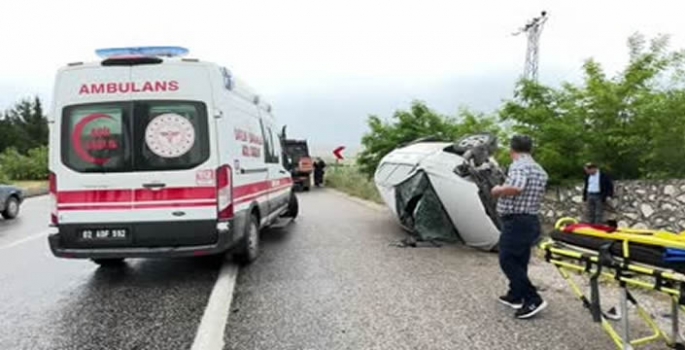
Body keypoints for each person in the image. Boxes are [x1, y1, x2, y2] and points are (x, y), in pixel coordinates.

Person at [491, 135, 549, 319]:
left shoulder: (519, 166)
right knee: (520, 259)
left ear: (511, 150)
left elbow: (516, 188)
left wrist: (498, 190)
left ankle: (532, 299)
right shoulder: (539, 169)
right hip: (530, 220)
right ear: (530, 149)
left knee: (507, 259)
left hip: (516, 221)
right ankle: (515, 294)